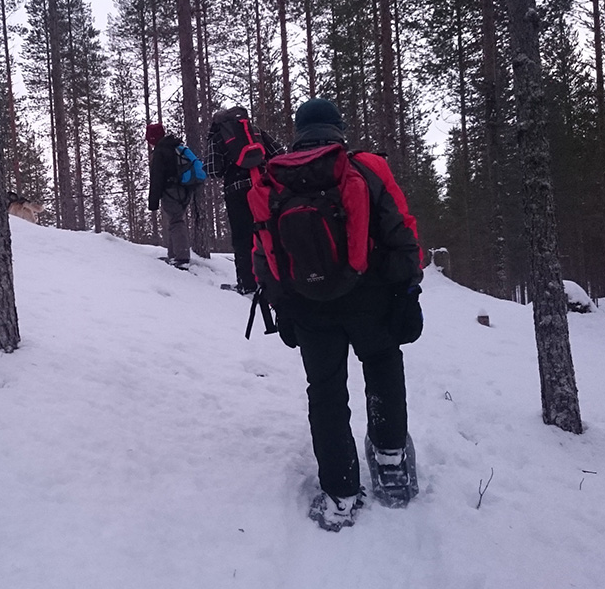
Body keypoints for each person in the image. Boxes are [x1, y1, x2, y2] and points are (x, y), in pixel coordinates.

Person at [252, 98, 423, 531]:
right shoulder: (363, 168)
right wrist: (407, 287)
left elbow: (263, 253)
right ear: (339, 130)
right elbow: (401, 228)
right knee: (382, 367)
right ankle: (390, 463)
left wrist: (285, 305)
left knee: (326, 393)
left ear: (298, 132)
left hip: (310, 307)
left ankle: (340, 495)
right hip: (370, 297)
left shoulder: (276, 179)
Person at [206, 107, 285, 294]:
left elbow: (212, 169)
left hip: (236, 191)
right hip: (263, 187)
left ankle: (247, 284)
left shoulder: (219, 136)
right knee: (268, 232)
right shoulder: (254, 130)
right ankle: (275, 277)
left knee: (242, 238)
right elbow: (279, 153)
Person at [146, 123, 198, 270]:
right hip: (184, 190)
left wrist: (153, 202)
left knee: (176, 221)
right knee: (175, 221)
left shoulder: (160, 151)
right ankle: (173, 255)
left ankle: (181, 258)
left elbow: (157, 178)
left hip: (171, 191)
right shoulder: (174, 146)